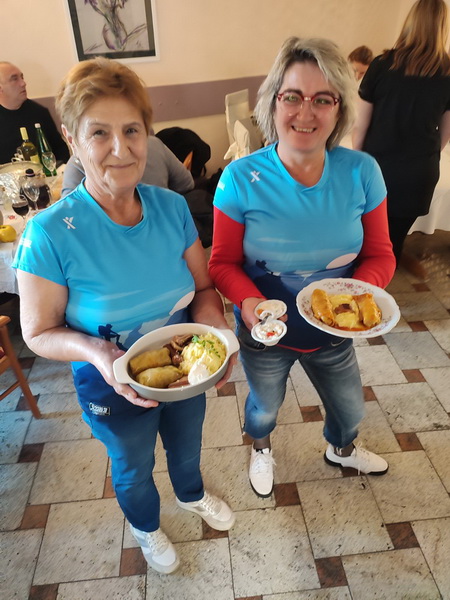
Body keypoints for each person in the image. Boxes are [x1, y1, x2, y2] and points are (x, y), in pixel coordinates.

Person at [13, 57, 236, 574]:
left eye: (132, 130)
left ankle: (191, 494)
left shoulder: (171, 208)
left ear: (147, 134)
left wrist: (218, 334)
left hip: (185, 373)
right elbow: (38, 331)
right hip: (109, 382)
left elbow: (204, 289)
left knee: (187, 444)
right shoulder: (49, 234)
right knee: (133, 466)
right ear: (71, 138)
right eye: (100, 133)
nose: (121, 148)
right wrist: (96, 351)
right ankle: (146, 526)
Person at [209, 37, 395, 498]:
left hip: (333, 332)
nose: (305, 112)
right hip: (266, 333)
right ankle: (261, 448)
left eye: (323, 99)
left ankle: (341, 448)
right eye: (292, 96)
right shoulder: (239, 179)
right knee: (264, 408)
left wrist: (353, 299)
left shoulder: (362, 172)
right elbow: (222, 263)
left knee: (351, 410)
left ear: (340, 108)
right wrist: (249, 303)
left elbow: (381, 255)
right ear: (273, 102)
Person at [352, 0, 450, 272]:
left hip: (378, 165)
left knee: (365, 231)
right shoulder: (448, 72)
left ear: (410, 22)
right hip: (420, 170)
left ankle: (361, 279)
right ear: (442, 27)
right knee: (395, 235)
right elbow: (445, 134)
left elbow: (361, 125)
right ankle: (388, 269)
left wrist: (356, 162)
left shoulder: (382, 65)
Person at [61, 135, 194, 197]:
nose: (121, 152)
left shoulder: (77, 163)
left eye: (130, 130)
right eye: (99, 132)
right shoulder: (154, 144)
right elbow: (186, 184)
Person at [0, 62, 70, 165]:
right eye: (14, 79)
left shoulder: (39, 113)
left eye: (22, 77)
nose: (23, 83)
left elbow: (60, 150)